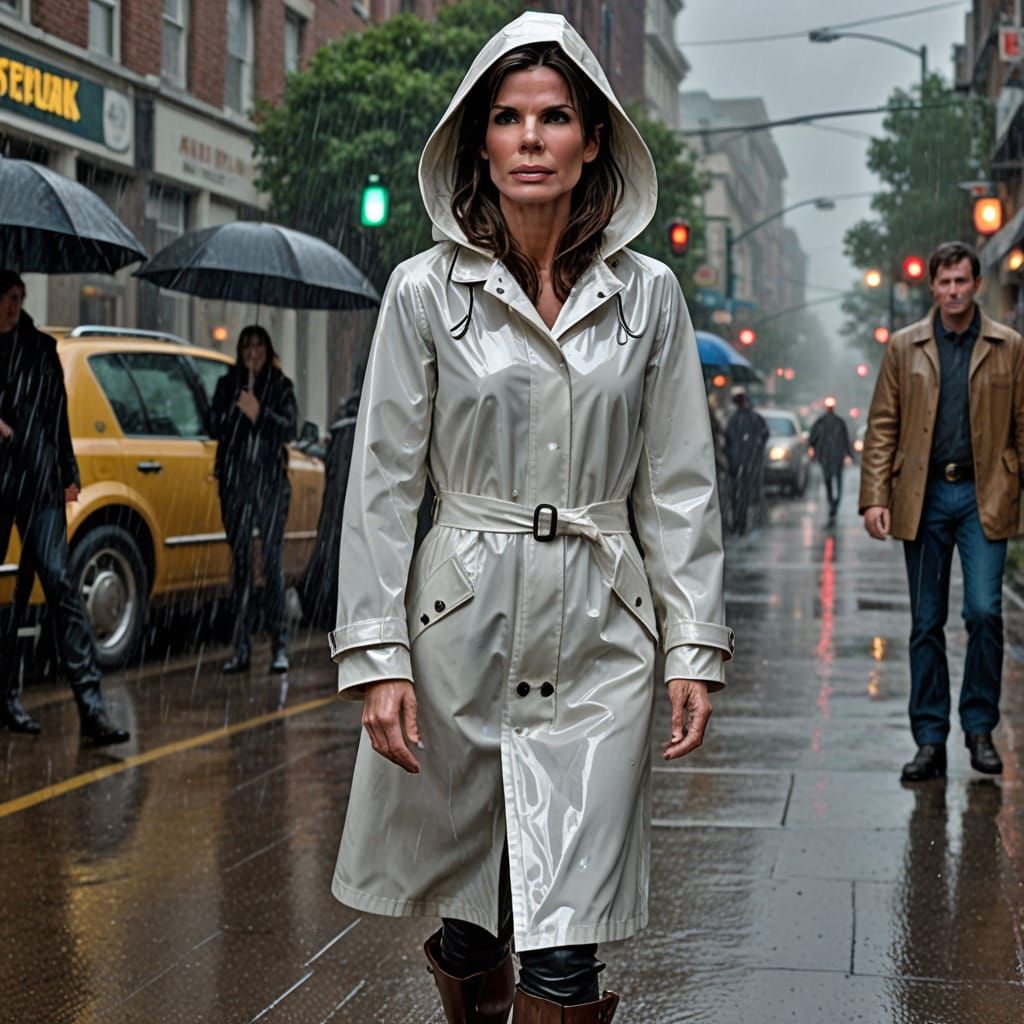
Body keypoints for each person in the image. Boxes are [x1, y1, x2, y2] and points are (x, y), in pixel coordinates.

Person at [328, 14, 733, 1022]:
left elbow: (678, 484)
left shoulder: (651, 298)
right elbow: (382, 479)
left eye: (555, 117)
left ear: (593, 138)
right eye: (506, 118)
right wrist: (377, 655)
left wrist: (692, 645)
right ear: (479, 140)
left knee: (567, 930)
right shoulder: (424, 293)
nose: (531, 138)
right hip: (459, 627)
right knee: (474, 915)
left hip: (601, 629)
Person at [860, 241, 1024, 783]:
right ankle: (930, 740)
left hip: (986, 496)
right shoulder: (906, 348)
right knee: (926, 622)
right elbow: (882, 424)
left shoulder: (1009, 346)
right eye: (944, 282)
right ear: (932, 288)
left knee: (983, 612)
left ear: (976, 283)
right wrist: (874, 497)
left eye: (961, 281)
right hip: (924, 499)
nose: (953, 291)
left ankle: (979, 729)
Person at [0, 270, 129, 744]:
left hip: (38, 481)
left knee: (58, 582)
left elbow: (58, 417)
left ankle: (91, 711)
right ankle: (7, 697)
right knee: (8, 598)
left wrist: (69, 474)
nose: (13, 306)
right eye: (6, 298)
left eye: (19, 298)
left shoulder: (40, 349)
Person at [210, 325, 297, 675]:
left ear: (268, 350)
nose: (253, 353)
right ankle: (241, 647)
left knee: (272, 563)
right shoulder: (227, 384)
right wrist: (237, 410)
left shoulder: (281, 386)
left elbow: (289, 427)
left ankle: (279, 646)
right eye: (247, 346)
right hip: (236, 483)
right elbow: (212, 423)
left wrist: (259, 412)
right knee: (242, 567)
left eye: (259, 346)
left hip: (270, 485)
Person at [725, 385, 769, 535]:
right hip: (736, 462)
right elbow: (728, 439)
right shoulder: (734, 419)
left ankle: (741, 522)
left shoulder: (754, 418)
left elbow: (763, 435)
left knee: (744, 493)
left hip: (748, 461)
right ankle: (737, 521)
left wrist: (756, 449)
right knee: (735, 493)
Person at [809, 396, 853, 524]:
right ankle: (832, 503)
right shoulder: (822, 422)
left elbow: (844, 439)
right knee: (829, 481)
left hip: (835, 457)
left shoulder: (836, 422)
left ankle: (835, 503)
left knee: (835, 481)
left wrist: (847, 453)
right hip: (827, 457)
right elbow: (813, 437)